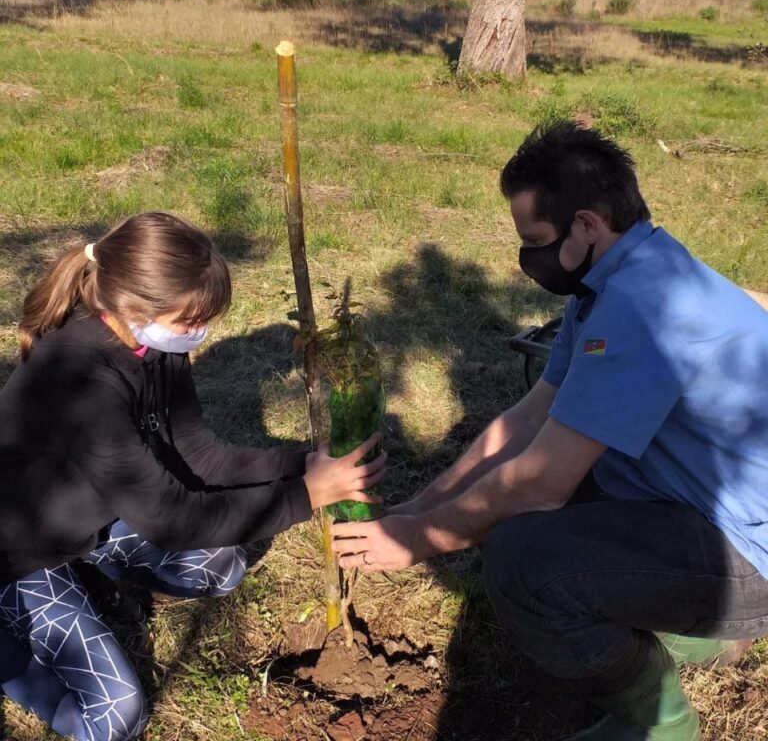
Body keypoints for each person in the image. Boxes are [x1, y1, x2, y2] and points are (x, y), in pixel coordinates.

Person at [332, 120, 768, 741]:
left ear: (587, 224)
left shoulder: (641, 309)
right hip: (695, 502)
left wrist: (421, 538)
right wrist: (423, 505)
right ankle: (684, 628)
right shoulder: (614, 280)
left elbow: (538, 484)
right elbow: (529, 418)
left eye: (534, 240)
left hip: (750, 555)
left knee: (523, 558)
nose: (526, 259)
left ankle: (660, 721)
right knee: (505, 500)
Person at [0, 211, 384, 741]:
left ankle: (92, 579)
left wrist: (302, 465)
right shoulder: (80, 381)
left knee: (221, 567)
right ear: (135, 305)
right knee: (116, 717)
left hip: (91, 525)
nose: (198, 335)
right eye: (190, 322)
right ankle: (12, 651)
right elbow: (174, 520)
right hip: (18, 559)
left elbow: (201, 455)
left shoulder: (155, 348)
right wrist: (306, 495)